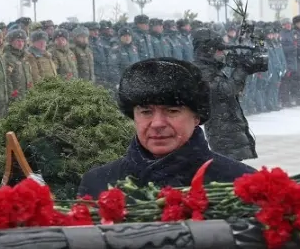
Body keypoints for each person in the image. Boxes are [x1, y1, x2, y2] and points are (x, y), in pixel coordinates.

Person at [78, 58, 255, 198]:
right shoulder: (99, 184)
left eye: (172, 111)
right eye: (146, 112)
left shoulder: (238, 182)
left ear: (196, 117)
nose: (157, 124)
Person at [192, 29, 267, 161]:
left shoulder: (211, 68)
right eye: (219, 51)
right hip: (221, 132)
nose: (222, 54)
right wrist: (242, 69)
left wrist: (245, 65)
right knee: (228, 167)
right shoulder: (202, 70)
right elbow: (226, 91)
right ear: (208, 51)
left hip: (228, 128)